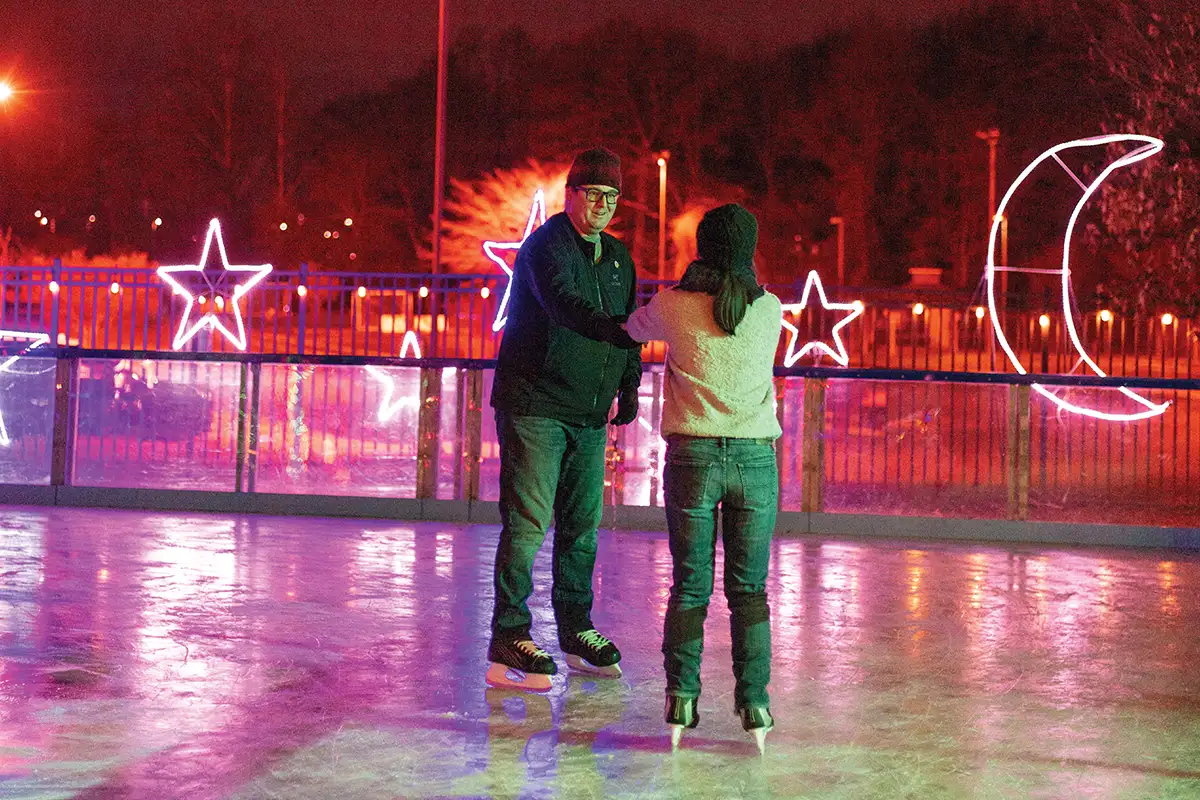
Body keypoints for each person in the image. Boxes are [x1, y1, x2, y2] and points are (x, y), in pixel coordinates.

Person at [624, 204, 782, 752]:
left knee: (690, 586)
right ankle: (755, 703)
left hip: (692, 458)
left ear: (702, 248)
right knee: (749, 591)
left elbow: (632, 327)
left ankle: (681, 698)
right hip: (755, 460)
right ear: (750, 251)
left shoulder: (672, 305)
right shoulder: (771, 310)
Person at [486, 146, 643, 691]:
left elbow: (629, 324)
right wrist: (612, 332)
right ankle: (510, 634)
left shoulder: (619, 258)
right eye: (593, 194)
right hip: (536, 404)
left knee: (581, 529)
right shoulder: (545, 246)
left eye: (612, 197)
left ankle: (576, 629)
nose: (603, 205)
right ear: (571, 194)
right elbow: (564, 303)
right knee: (528, 524)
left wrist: (629, 382)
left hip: (589, 413)